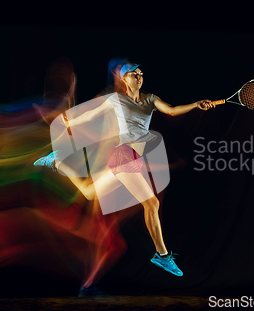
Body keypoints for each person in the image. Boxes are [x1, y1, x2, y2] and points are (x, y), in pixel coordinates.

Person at [34, 62, 214, 292]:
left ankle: (58, 162)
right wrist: (67, 122)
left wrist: (197, 105)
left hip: (131, 158)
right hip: (123, 155)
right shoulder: (115, 100)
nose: (139, 76)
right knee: (152, 203)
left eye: (141, 73)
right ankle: (162, 254)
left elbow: (171, 109)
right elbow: (89, 115)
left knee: (89, 194)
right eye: (133, 73)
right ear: (123, 79)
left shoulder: (150, 99)